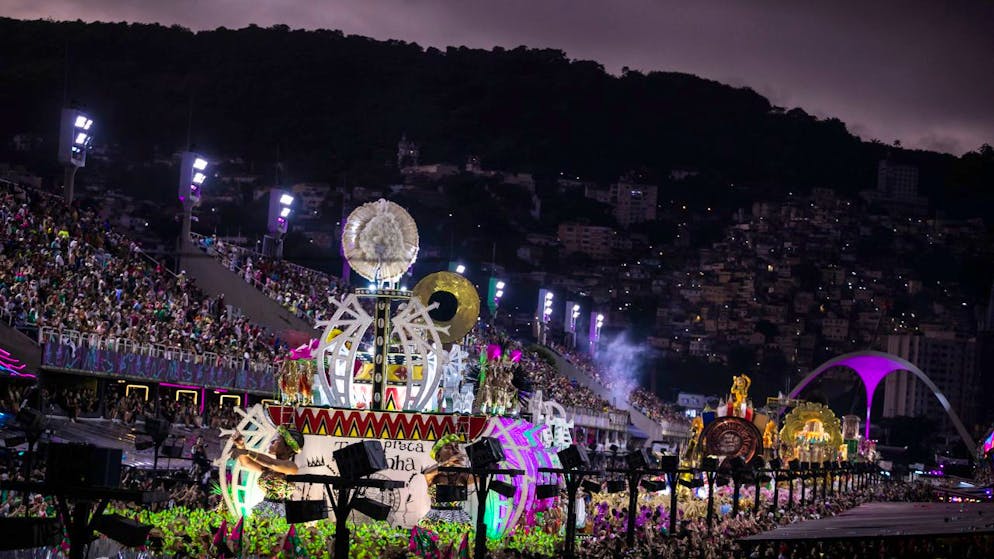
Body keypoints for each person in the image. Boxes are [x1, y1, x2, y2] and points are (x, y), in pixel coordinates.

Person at [229, 425, 304, 518]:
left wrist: (246, 452)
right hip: (264, 510)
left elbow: (272, 463)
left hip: (281, 514)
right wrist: (240, 446)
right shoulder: (268, 468)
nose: (273, 442)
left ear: (288, 448)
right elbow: (247, 462)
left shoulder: (292, 467)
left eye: (277, 440)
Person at [420, 434, 473, 525]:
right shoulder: (433, 473)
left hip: (459, 520)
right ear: (438, 456)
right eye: (448, 447)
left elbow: (479, 477)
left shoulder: (462, 475)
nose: (455, 451)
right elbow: (427, 473)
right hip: (436, 520)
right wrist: (448, 462)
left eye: (456, 447)